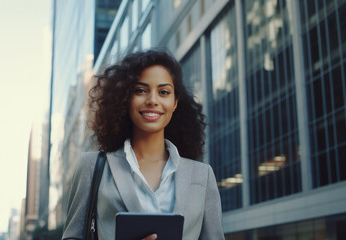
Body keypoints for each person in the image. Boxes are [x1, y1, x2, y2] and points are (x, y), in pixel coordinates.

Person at [61, 49, 224, 240]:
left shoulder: (202, 175)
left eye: (164, 92)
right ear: (126, 99)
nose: (153, 100)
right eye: (140, 90)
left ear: (175, 102)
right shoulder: (92, 166)